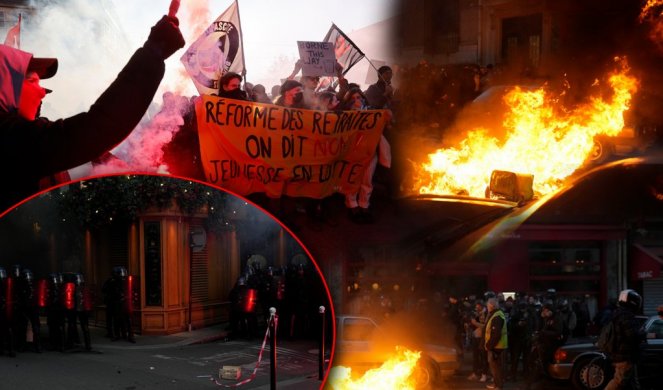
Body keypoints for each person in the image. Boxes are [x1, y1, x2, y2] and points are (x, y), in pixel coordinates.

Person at [0, 15, 184, 212]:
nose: (42, 91)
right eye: (32, 81)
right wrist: (154, 52)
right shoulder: (10, 138)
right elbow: (96, 128)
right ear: (6, 88)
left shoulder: (18, 140)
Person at [604, 289, 645, 390]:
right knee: (619, 382)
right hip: (625, 356)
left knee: (633, 382)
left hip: (624, 355)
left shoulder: (618, 313)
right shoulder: (626, 316)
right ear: (632, 302)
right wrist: (642, 333)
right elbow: (633, 335)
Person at [484, 297, 507, 390]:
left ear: (492, 305)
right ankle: (496, 384)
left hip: (496, 347)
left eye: (488, 305)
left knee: (496, 368)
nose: (487, 307)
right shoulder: (496, 314)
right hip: (496, 345)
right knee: (494, 367)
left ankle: (498, 386)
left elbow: (496, 334)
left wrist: (489, 345)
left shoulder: (497, 316)